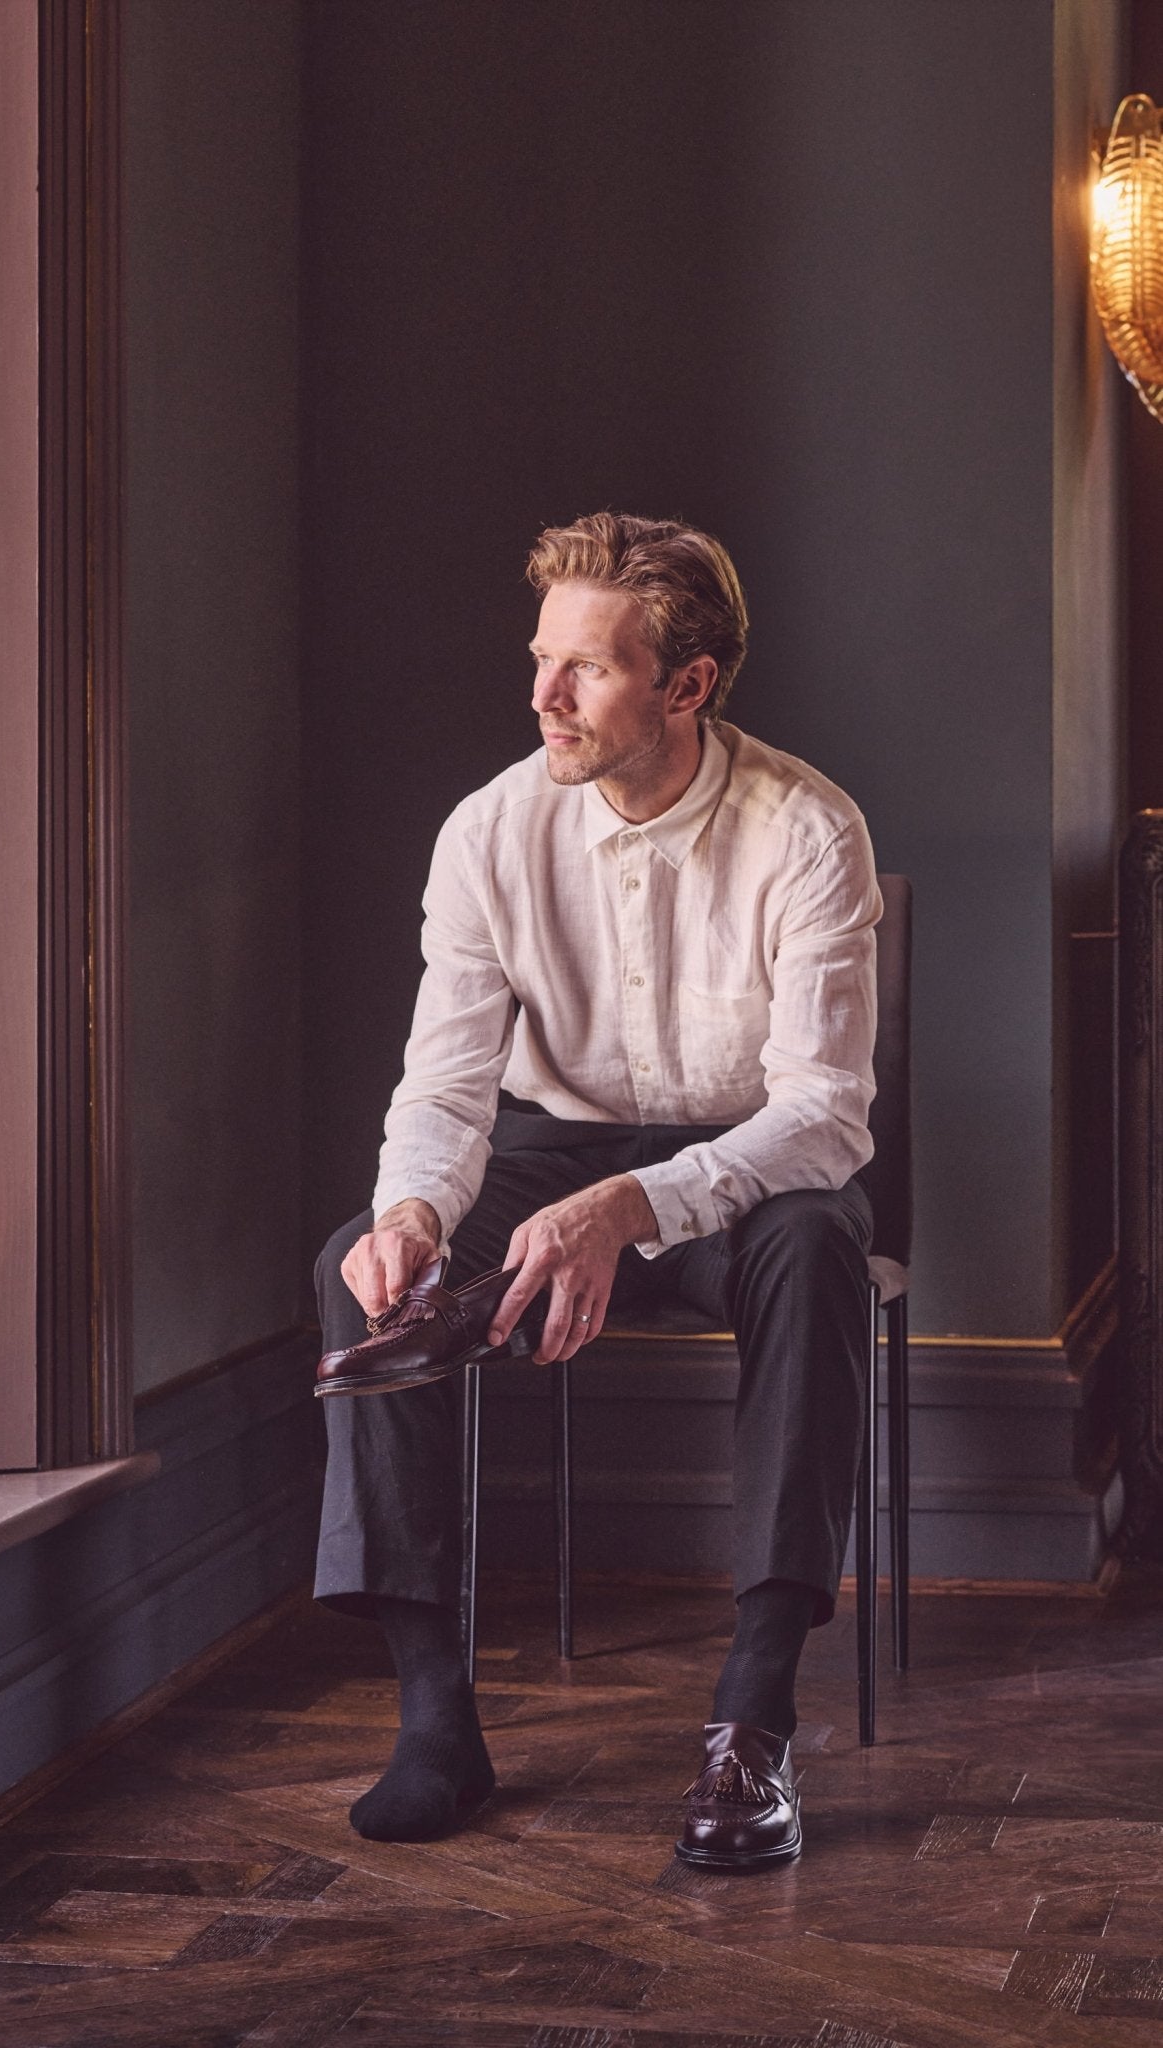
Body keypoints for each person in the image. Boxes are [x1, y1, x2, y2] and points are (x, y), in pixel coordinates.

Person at [313, 512, 880, 1871]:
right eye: (538, 659)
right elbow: (447, 1088)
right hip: (550, 1151)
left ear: (685, 686)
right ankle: (434, 1718)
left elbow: (821, 1111)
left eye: (585, 669)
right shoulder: (487, 832)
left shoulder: (806, 829)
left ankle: (752, 1725)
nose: (540, 696)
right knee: (366, 1259)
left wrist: (639, 1206)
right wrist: (411, 1215)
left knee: (819, 1253)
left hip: (749, 1167)